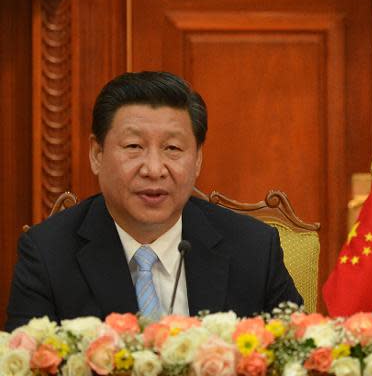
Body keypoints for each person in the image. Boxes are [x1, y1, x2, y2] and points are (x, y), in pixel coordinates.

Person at [6, 71, 301, 331]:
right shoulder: (48, 254)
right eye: (134, 146)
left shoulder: (254, 249)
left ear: (197, 159)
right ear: (97, 154)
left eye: (172, 148)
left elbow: (297, 360)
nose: (154, 169)